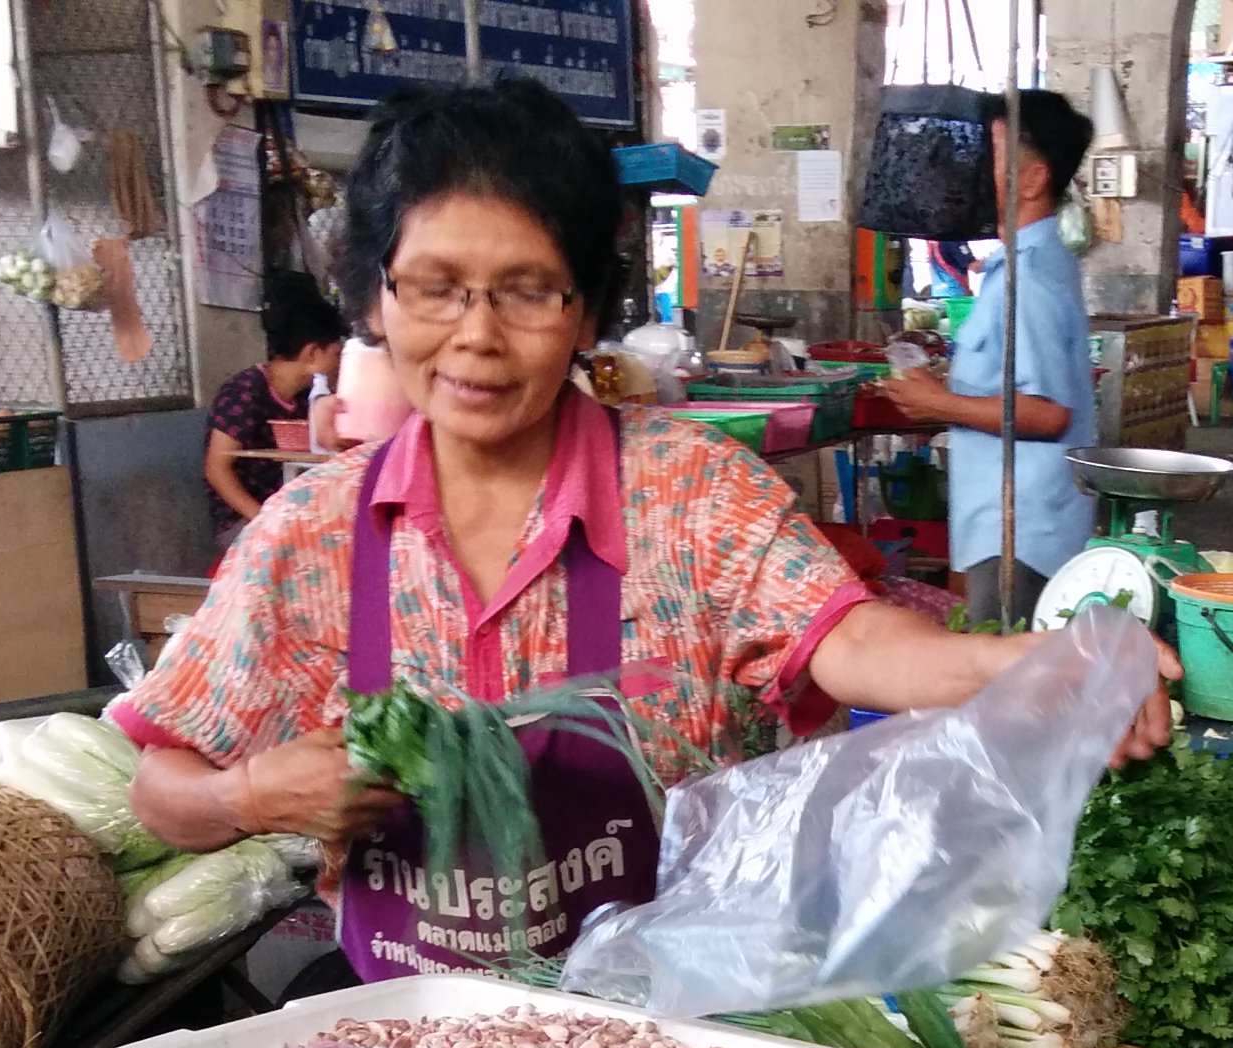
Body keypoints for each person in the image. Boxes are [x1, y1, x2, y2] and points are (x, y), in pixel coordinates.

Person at [109, 78, 1169, 986]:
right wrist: (249, 795)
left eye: (528, 292)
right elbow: (164, 788)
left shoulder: (689, 488)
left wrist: (1024, 664)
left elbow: (849, 642)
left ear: (584, 310)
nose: (476, 336)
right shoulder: (310, 537)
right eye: (435, 289)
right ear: (377, 301)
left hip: (683, 1033)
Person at [873, 90, 1100, 626]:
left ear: (1033, 179)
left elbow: (1048, 413)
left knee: (1009, 682)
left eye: (986, 156)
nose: (968, 169)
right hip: (1010, 520)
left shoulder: (1030, 276)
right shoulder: (1023, 264)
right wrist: (946, 387)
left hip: (1021, 531)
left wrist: (940, 402)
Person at [204, 270, 348, 551]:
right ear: (312, 354)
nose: (339, 363)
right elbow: (216, 469)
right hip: (242, 522)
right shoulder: (245, 392)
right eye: (336, 354)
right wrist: (263, 519)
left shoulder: (310, 397)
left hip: (289, 514)